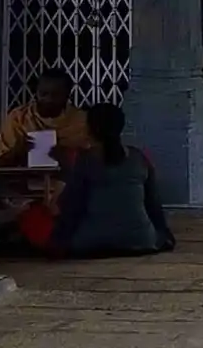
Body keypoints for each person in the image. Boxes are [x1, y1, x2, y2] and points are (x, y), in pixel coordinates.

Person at [49, 103, 175, 257]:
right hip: (142, 240)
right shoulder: (138, 157)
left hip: (92, 242)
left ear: (90, 129)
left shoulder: (85, 161)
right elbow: (153, 204)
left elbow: (71, 207)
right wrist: (164, 234)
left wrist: (59, 240)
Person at [0, 66, 93, 168]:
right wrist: (18, 151)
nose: (49, 99)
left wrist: (67, 155)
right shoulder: (18, 118)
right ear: (36, 93)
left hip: (68, 182)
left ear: (67, 95)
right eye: (43, 94)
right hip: (26, 182)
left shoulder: (81, 121)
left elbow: (95, 164)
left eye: (56, 95)